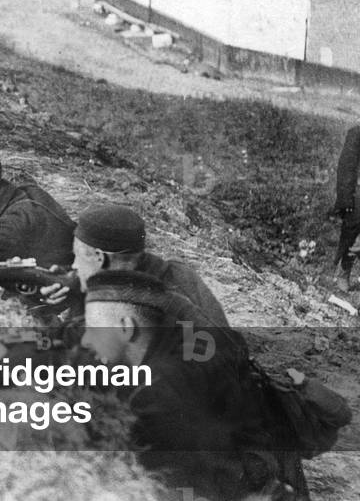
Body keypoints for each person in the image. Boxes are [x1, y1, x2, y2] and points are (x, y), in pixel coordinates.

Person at [81, 270, 307, 500]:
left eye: (92, 328)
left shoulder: (163, 393)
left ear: (126, 328)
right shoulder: (176, 351)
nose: (85, 340)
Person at [40, 204, 229, 327]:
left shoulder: (141, 310)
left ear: (99, 258)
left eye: (78, 257)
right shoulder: (175, 273)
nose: (73, 265)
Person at [331, 125, 360, 292]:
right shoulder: (357, 133)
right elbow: (346, 167)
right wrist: (345, 199)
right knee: (354, 239)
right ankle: (344, 270)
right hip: (358, 194)